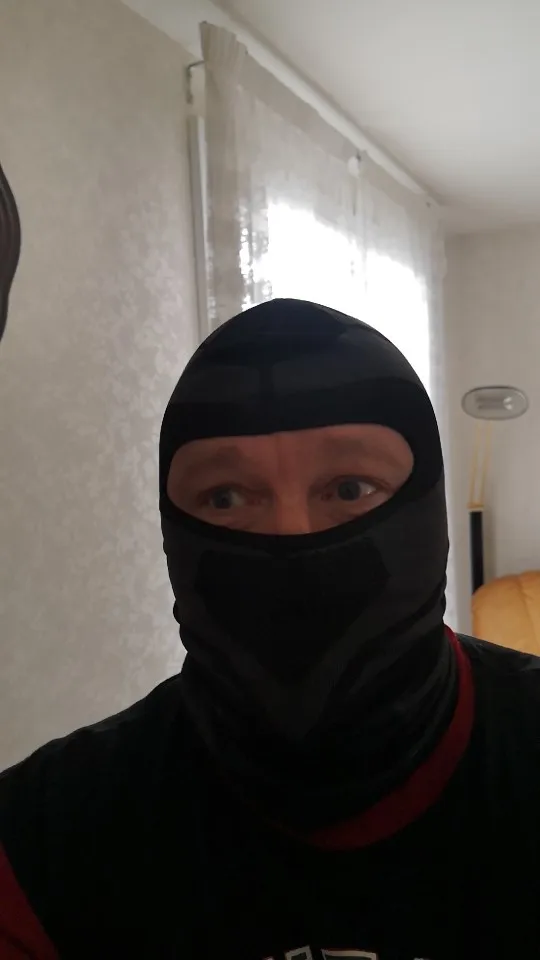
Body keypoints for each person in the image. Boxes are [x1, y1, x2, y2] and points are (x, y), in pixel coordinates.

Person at [0, 298, 539, 960]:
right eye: (226, 497)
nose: (291, 535)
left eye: (349, 488)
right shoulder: (39, 845)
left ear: (427, 512)